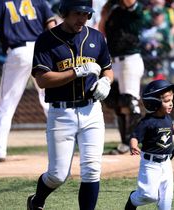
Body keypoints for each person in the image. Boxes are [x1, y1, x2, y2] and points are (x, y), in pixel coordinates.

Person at [26, 0, 114, 209]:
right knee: (57, 175)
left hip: (92, 110)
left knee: (92, 169)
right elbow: (42, 79)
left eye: (86, 14)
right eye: (77, 13)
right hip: (61, 112)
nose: (82, 19)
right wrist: (76, 71)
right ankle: (37, 201)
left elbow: (107, 69)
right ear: (64, 12)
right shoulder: (47, 40)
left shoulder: (96, 37)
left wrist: (106, 81)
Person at [0, 0, 56, 163]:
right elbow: (53, 28)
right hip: (40, 51)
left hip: (18, 52)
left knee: (6, 104)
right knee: (50, 101)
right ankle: (65, 145)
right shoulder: (39, 1)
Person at [124, 79, 174, 210]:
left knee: (166, 200)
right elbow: (135, 136)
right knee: (149, 196)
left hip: (166, 163)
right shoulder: (147, 122)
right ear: (154, 102)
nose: (170, 104)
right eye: (166, 101)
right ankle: (133, 199)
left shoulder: (167, 118)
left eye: (171, 100)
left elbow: (170, 129)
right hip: (150, 164)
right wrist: (133, 145)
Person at [99, 0, 145, 155]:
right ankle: (125, 142)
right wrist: (105, 14)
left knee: (130, 102)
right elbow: (102, 30)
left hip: (130, 60)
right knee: (117, 103)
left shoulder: (135, 10)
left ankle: (134, 141)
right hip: (115, 60)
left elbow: (130, 3)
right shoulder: (114, 10)